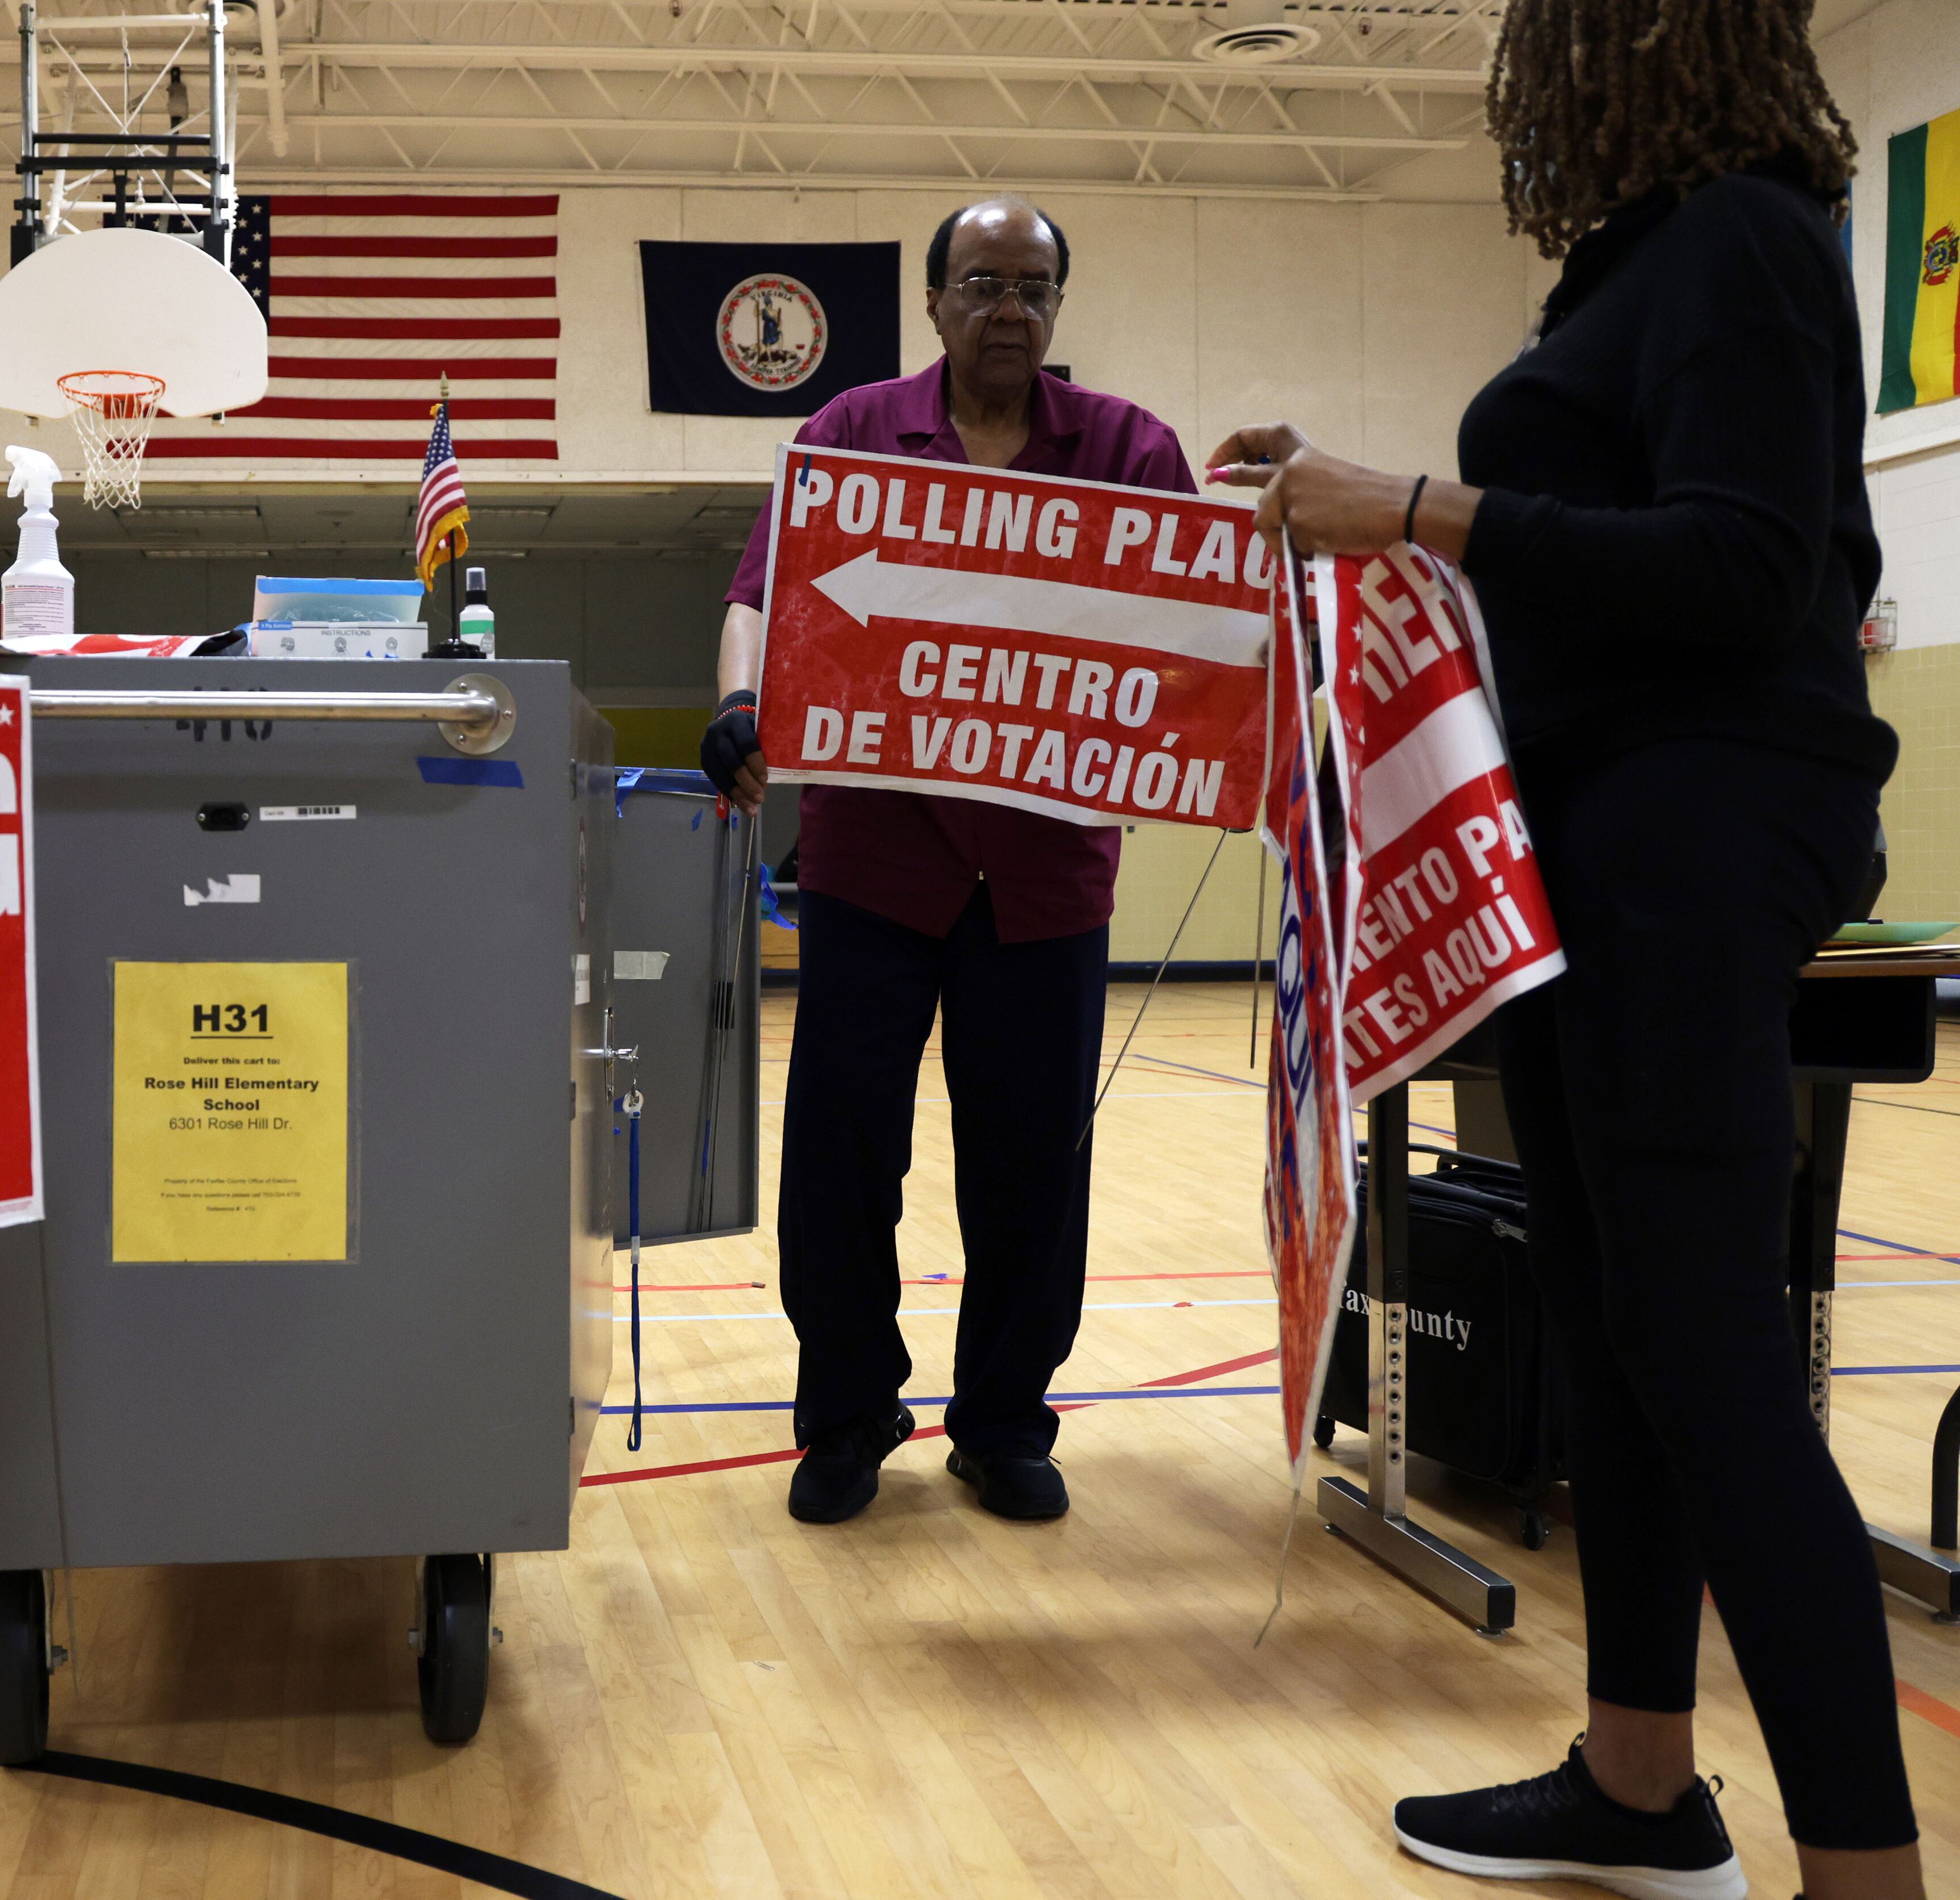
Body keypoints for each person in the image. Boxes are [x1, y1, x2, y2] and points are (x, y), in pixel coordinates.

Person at [1207, 1, 1917, 1895]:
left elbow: (1747, 566)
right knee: (1614, 1320)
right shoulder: (1642, 264)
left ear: (1640, 48)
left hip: (1700, 827)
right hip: (1596, 831)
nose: (1531, 86)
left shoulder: (1753, 234)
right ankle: (1636, 1778)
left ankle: (1866, 1863)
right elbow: (1594, 544)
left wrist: (1419, 502)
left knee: (1704, 1345)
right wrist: (1374, 500)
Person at [702, 197, 1194, 1527]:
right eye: (981, 283)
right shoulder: (851, 432)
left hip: (1044, 878)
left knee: (1032, 1163)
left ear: (1055, 307)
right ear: (932, 302)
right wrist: (743, 705)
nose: (1008, 310)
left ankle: (1000, 1423)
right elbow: (763, 589)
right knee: (843, 1160)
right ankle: (847, 1414)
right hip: (875, 861)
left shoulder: (1134, 451)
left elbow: (1192, 638)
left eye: (1033, 288)